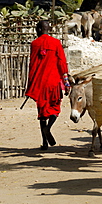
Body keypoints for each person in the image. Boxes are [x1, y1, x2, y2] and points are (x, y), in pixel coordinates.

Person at [25, 20, 70, 150]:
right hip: (54, 83)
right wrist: (66, 83)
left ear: (39, 29)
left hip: (40, 85)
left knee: (42, 113)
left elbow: (32, 66)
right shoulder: (56, 43)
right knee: (55, 108)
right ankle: (48, 128)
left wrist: (30, 86)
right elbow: (62, 63)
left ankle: (44, 142)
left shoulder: (34, 44)